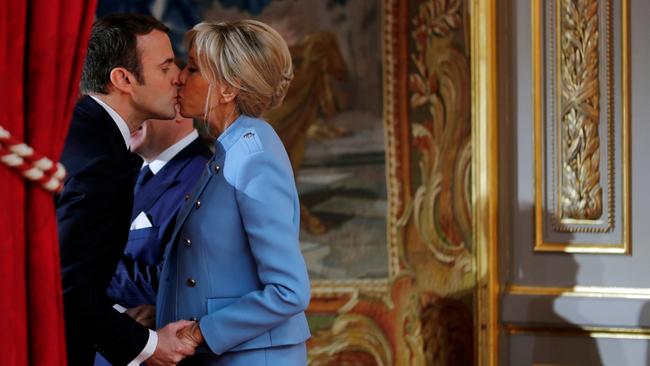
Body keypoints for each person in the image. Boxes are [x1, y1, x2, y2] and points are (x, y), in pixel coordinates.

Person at [156, 20, 311, 365]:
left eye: (193, 68)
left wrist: (200, 332)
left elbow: (290, 292)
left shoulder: (253, 155)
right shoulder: (230, 149)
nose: (180, 77)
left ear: (228, 89)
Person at [56, 13, 198, 366]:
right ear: (123, 79)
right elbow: (67, 288)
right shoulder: (101, 163)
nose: (178, 79)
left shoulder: (76, 131)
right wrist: (149, 346)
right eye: (166, 68)